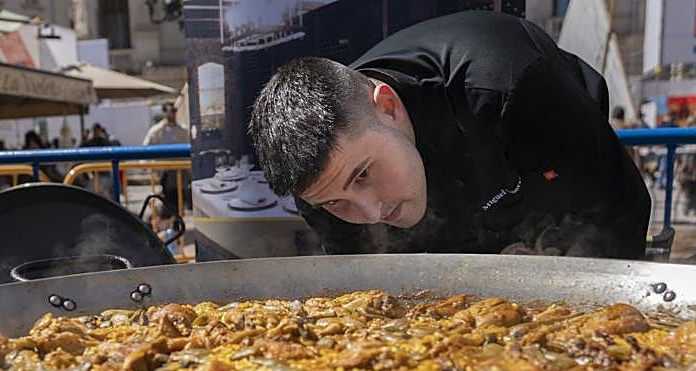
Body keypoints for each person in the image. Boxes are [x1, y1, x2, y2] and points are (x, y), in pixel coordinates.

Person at [248, 11, 650, 258]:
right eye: (337, 202)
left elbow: (618, 217)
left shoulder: (511, 88)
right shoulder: (320, 185)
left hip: (535, 163)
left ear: (386, 107)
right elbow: (362, 285)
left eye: (363, 175)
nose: (370, 215)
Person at [144, 102, 191, 219]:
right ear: (164, 112)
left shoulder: (183, 130)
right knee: (167, 203)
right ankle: (169, 227)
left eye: (174, 110)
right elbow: (145, 148)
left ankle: (176, 225)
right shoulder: (156, 131)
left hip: (182, 172)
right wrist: (147, 166)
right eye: (170, 111)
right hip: (164, 174)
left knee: (180, 202)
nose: (172, 114)